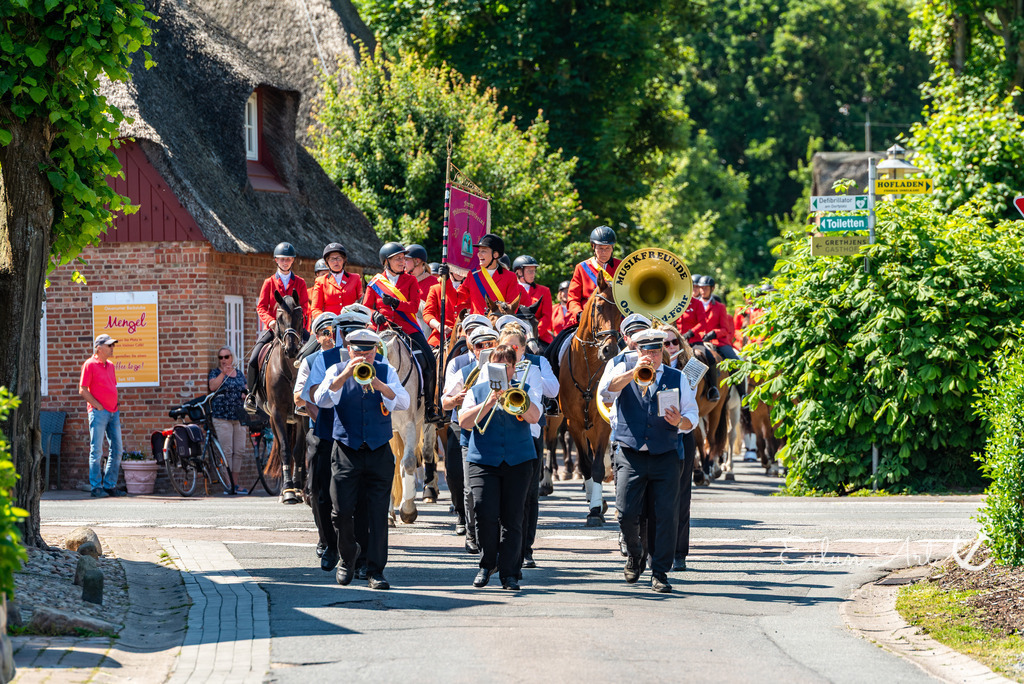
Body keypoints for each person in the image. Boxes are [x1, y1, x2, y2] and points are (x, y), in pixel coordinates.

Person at [598, 328, 698, 593]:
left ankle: (660, 572)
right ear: (636, 351)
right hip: (631, 453)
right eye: (645, 351)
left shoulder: (677, 377)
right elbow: (607, 394)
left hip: (665, 454)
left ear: (662, 352)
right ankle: (634, 553)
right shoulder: (621, 368)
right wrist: (633, 373)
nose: (650, 357)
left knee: (665, 515)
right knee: (627, 512)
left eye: (655, 351)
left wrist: (681, 422)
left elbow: (692, 416)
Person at [315, 329, 410, 590]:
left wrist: (380, 385)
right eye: (358, 353)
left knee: (378, 514)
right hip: (346, 450)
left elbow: (403, 401)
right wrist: (345, 375)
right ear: (349, 349)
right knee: (341, 512)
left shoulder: (386, 370)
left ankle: (375, 570)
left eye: (368, 353)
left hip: (379, 450)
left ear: (375, 351)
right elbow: (320, 400)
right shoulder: (336, 368)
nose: (363, 358)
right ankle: (347, 557)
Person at [458, 344, 542, 591]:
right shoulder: (477, 391)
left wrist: (518, 399)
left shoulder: (524, 389)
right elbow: (464, 422)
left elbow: (535, 417)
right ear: (488, 367)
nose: (503, 369)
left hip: (518, 460)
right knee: (484, 512)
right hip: (483, 460)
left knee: (513, 518)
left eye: (508, 365)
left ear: (514, 368)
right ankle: (487, 563)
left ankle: (510, 573)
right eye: (497, 365)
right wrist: (490, 401)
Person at [496, 324, 559, 570]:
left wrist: (530, 373)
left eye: (515, 347)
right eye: (507, 346)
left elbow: (553, 390)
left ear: (523, 347)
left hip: (529, 434)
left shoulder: (537, 363)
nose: (511, 351)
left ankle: (526, 548)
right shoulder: (493, 364)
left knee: (529, 495)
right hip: (499, 434)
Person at [362, 242, 440, 423]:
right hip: (381, 328)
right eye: (398, 258)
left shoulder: (410, 280)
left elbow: (413, 306)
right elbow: (365, 308)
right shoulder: (375, 282)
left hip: (407, 327)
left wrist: (397, 304)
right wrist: (375, 315)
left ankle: (429, 406)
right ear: (386, 261)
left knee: (429, 360)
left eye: (404, 258)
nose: (402, 261)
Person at [441, 323, 497, 549]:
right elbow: (445, 401)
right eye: (479, 345)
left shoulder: (504, 368)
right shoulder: (463, 370)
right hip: (469, 433)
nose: (484, 349)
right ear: (471, 348)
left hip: (496, 432)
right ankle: (472, 532)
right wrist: (455, 400)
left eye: (490, 344)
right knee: (470, 488)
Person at [293, 312, 340, 565]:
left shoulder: (346, 357)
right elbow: (299, 396)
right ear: (316, 336)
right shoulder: (310, 361)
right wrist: (320, 416)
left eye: (333, 331)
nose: (329, 337)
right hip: (320, 431)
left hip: (345, 430)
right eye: (324, 332)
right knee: (317, 489)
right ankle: (324, 538)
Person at [245, 242, 310, 413]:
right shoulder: (269, 282)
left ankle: (311, 396)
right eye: (282, 259)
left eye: (288, 259)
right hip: (275, 328)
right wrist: (271, 322)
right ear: (276, 260)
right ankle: (251, 396)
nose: (285, 262)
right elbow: (261, 307)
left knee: (314, 354)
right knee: (253, 358)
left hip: (295, 329)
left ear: (292, 261)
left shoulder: (301, 283)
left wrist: (299, 327)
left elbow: (304, 306)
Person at [79, 334, 126, 498]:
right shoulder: (89, 365)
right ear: (99, 348)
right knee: (97, 451)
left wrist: (114, 405)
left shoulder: (111, 365)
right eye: (109, 345)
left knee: (118, 449)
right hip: (99, 413)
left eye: (113, 345)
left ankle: (109, 486)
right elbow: (83, 389)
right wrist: (98, 405)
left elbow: (111, 387)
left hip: (114, 412)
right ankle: (96, 487)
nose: (112, 348)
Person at [207, 346, 248, 494]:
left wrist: (245, 394)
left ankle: (235, 483)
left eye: (227, 356)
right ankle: (228, 484)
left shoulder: (239, 374)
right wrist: (223, 374)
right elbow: (212, 387)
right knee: (227, 451)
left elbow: (245, 388)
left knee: (239, 450)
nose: (224, 360)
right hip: (222, 417)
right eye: (221, 357)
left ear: (232, 357)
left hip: (238, 417)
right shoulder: (216, 372)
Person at [567, 226, 622, 324]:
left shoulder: (622, 266)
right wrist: (579, 314)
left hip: (616, 319)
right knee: (561, 339)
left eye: (608, 248)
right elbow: (573, 298)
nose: (604, 252)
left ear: (612, 247)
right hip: (588, 318)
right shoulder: (581, 267)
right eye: (600, 248)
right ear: (593, 246)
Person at [464, 233, 520, 315]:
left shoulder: (510, 277)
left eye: (483, 251)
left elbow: (512, 306)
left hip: (498, 321)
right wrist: (446, 279)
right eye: (479, 251)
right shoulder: (472, 274)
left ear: (495, 255)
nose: (479, 254)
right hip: (477, 322)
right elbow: (456, 298)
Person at [310, 243, 363, 321]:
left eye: (338, 258)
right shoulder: (321, 281)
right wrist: (325, 321)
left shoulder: (355, 278)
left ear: (344, 260)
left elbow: (362, 303)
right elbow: (315, 308)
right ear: (326, 262)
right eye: (332, 259)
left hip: (352, 322)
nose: (336, 262)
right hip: (329, 324)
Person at [422, 264, 468, 348]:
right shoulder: (436, 289)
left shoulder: (469, 289)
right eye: (456, 267)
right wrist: (439, 326)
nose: (460, 271)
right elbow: (427, 313)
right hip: (440, 337)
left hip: (464, 337)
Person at [512, 255, 553, 347]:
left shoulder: (544, 291)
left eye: (534, 271)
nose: (533, 274)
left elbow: (547, 316)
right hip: (514, 333)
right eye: (530, 271)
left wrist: (535, 332)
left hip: (538, 335)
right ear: (519, 272)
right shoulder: (511, 290)